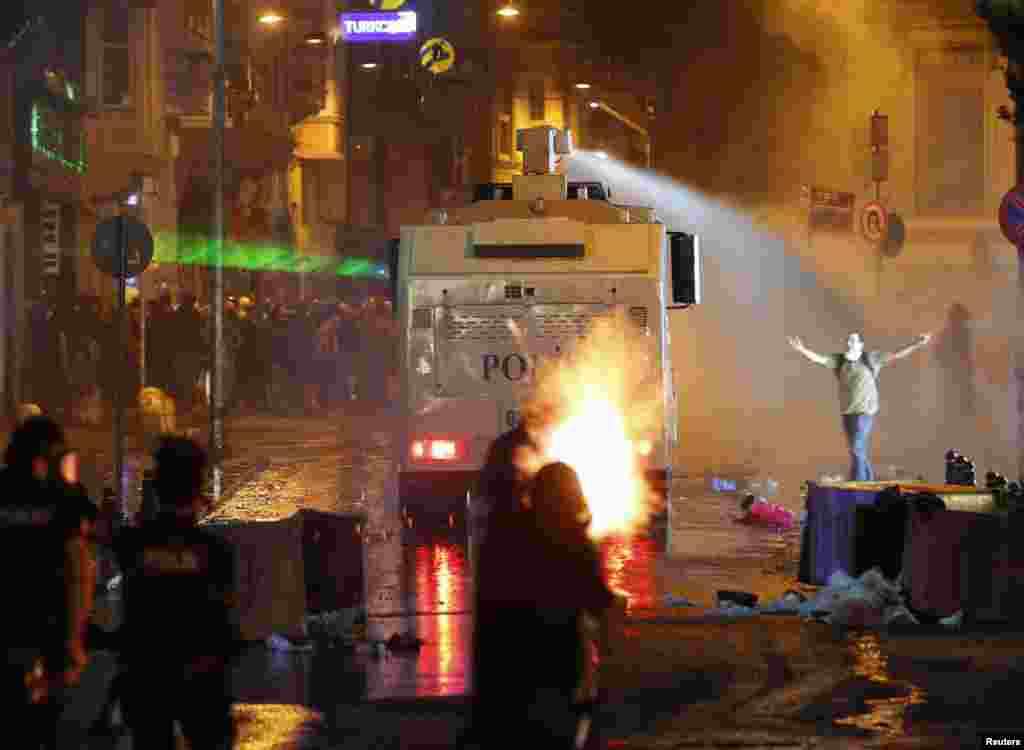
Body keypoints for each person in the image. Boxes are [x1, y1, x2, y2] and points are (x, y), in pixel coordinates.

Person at [467, 461, 619, 748]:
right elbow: (598, 601)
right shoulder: (575, 543)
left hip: (506, 670)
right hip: (557, 669)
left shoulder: (504, 539)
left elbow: (487, 610)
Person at [115, 436, 239, 749]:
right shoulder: (215, 551)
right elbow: (225, 621)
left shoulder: (133, 545)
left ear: (157, 486)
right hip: (203, 680)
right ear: (198, 488)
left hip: (148, 678)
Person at [0, 417, 96, 750]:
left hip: (8, 626)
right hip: (48, 627)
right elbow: (77, 568)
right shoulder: (62, 496)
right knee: (47, 725)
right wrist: (74, 641)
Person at [788, 331, 932, 482]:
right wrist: (802, 349)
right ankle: (867, 479)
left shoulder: (870, 359)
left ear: (861, 345)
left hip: (865, 411)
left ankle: (859, 481)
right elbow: (819, 359)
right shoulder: (840, 360)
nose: (851, 343)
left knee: (857, 446)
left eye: (854, 341)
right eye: (849, 341)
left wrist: (917, 343)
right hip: (847, 412)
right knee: (856, 450)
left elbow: (897, 354)